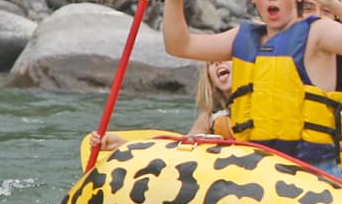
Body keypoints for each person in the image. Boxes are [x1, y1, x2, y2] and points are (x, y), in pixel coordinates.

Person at [160, 0, 342, 175]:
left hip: (312, 173)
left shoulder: (318, 33)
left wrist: (331, 3)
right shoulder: (243, 37)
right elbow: (179, 46)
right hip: (257, 172)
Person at [90, 59, 234, 151]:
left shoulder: (256, 105)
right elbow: (181, 148)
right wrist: (123, 145)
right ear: (210, 80)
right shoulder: (210, 117)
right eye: (211, 62)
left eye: (226, 57)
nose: (218, 62)